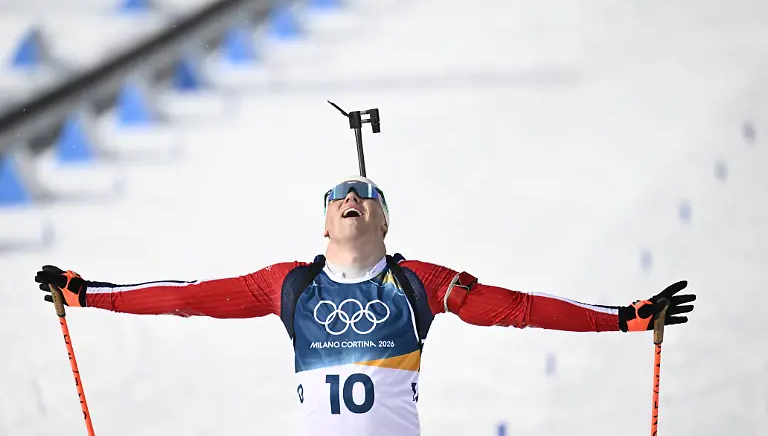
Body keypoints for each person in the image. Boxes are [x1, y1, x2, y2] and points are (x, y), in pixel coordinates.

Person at [34, 175, 695, 436]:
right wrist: (89, 295)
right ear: (325, 222)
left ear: (383, 221)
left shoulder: (419, 284)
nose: (351, 197)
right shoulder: (288, 286)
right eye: (338, 196)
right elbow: (187, 299)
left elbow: (518, 307)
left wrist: (623, 317)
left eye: (365, 195)